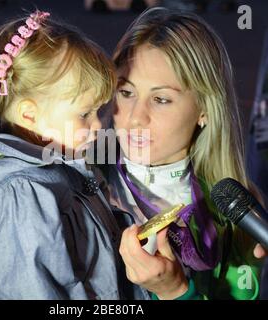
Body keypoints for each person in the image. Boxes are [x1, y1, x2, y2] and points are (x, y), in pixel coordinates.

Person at [0, 10, 148, 300]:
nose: (98, 126)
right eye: (85, 113)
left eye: (98, 111)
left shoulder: (58, 160)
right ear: (30, 115)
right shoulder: (19, 195)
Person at [101, 7, 267, 300]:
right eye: (126, 92)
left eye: (161, 99)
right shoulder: (78, 184)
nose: (135, 117)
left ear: (204, 109)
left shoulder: (237, 209)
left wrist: (175, 293)